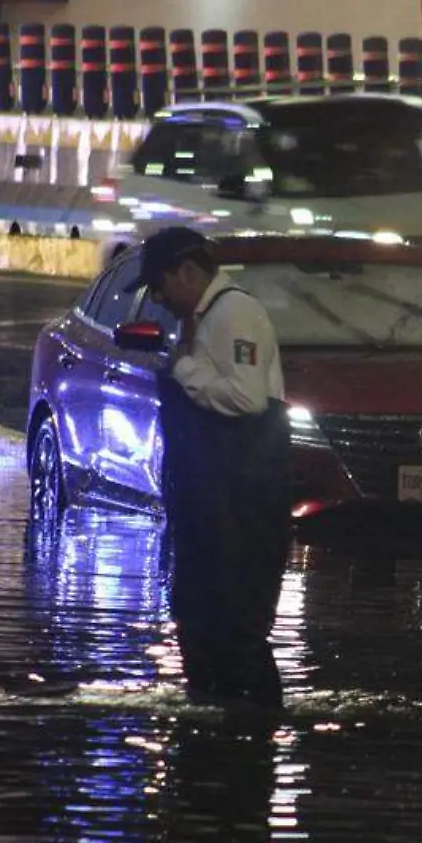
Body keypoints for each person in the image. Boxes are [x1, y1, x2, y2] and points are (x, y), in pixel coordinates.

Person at [138, 227, 290, 710]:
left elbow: (245, 398)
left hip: (242, 503)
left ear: (188, 271)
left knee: (236, 624)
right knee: (198, 619)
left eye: (161, 285)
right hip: (210, 501)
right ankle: (211, 733)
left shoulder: (235, 313)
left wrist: (184, 368)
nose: (158, 298)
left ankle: (256, 735)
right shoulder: (201, 320)